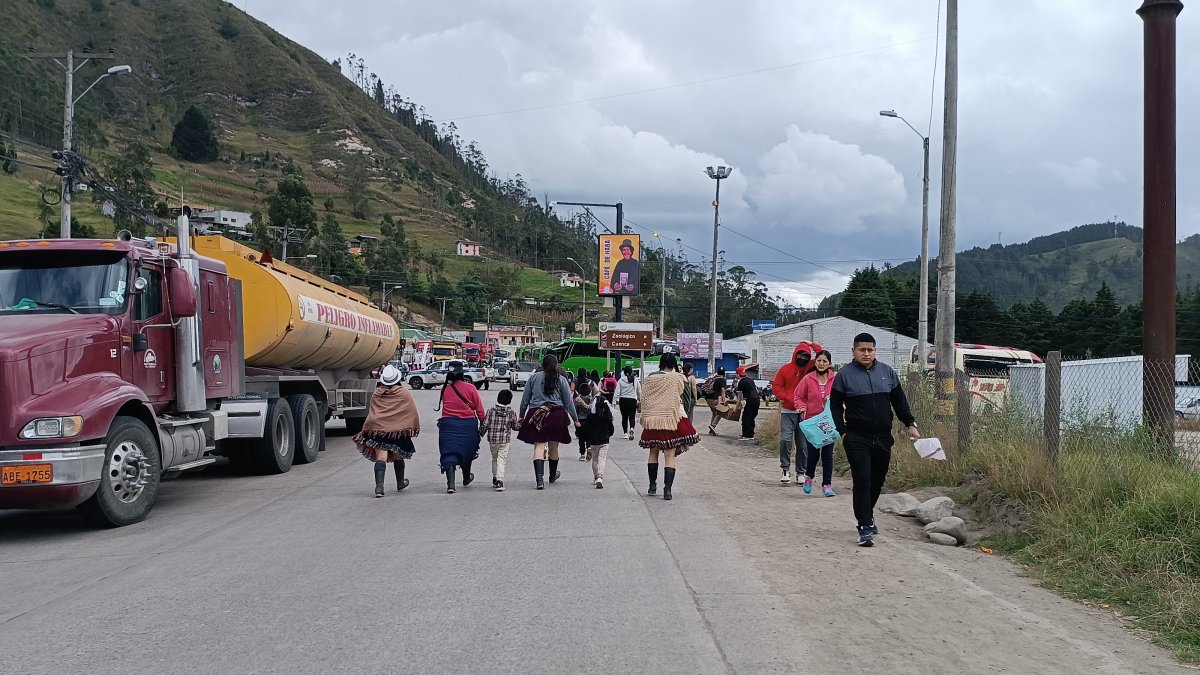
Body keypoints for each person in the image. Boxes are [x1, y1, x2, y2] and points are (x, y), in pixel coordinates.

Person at [830, 333, 920, 547]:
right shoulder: (844, 375)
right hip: (856, 437)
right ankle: (864, 526)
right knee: (863, 480)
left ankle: (867, 514)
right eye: (862, 350)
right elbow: (834, 406)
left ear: (875, 351)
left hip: (882, 438)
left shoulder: (887, 372)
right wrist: (842, 431)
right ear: (853, 351)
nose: (867, 353)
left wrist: (910, 424)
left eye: (870, 350)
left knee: (878, 480)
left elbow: (899, 401)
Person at [638, 354, 700, 500]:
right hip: (671, 420)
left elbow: (644, 398)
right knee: (669, 455)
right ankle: (667, 490)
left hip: (653, 420)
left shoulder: (650, 378)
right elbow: (685, 400)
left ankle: (652, 485)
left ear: (660, 364)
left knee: (653, 452)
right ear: (674, 364)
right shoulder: (679, 378)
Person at [355, 365, 419, 498]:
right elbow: (410, 411)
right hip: (398, 431)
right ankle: (400, 482)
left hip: (380, 430)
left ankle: (379, 487)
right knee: (398, 456)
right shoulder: (403, 392)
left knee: (381, 457)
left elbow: (373, 413)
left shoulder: (377, 392)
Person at [518, 354, 581, 489]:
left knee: (539, 446)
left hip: (537, 414)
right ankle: (552, 476)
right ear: (556, 365)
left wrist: (521, 415)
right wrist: (575, 419)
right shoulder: (562, 379)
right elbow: (568, 402)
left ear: (542, 365)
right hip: (556, 415)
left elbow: (525, 399)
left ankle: (539, 480)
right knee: (554, 447)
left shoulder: (533, 378)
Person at [772, 341, 823, 484]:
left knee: (803, 444)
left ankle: (801, 472)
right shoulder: (785, 369)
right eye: (800, 355)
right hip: (788, 411)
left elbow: (822, 355)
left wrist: (811, 344)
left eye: (806, 355)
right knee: (785, 440)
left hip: (805, 412)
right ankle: (785, 469)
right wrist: (787, 398)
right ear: (795, 354)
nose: (803, 358)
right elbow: (776, 386)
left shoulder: (811, 367)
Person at [793, 350, 838, 497]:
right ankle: (808, 477)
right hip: (812, 422)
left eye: (825, 361)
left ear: (829, 363)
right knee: (812, 454)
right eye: (819, 360)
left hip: (829, 422)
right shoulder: (807, 379)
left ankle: (827, 485)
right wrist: (802, 407)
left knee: (828, 454)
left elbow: (844, 396)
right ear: (815, 362)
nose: (821, 363)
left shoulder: (836, 379)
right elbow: (798, 396)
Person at [436, 361, 485, 494]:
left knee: (449, 453)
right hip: (467, 426)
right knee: (467, 452)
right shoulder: (470, 388)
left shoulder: (445, 388)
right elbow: (479, 409)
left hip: (448, 425)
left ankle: (451, 484)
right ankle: (466, 477)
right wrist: (483, 422)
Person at [483, 388, 521, 491]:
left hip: (492, 440)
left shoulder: (490, 411)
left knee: (495, 459)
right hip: (504, 440)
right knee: (501, 460)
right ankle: (499, 481)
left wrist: (480, 434)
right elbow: (515, 427)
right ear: (509, 401)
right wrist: (522, 424)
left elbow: (485, 425)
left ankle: (495, 478)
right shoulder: (511, 413)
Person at [579, 388, 616, 488]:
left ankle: (596, 477)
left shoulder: (591, 416)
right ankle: (600, 476)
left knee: (595, 459)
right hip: (604, 440)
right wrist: (609, 434)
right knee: (602, 459)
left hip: (593, 441)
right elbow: (611, 429)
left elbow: (585, 427)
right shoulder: (607, 415)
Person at [735, 364, 762, 441]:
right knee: (752, 417)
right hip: (757, 399)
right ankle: (749, 434)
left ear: (738, 374)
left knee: (746, 417)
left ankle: (747, 435)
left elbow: (739, 397)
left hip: (751, 400)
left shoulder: (741, 382)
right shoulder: (750, 380)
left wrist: (736, 408)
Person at [700, 367, 729, 435]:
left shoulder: (713, 378)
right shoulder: (722, 380)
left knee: (715, 413)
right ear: (724, 373)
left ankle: (711, 430)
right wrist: (724, 400)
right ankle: (713, 426)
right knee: (721, 411)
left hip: (708, 398)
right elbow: (722, 390)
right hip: (714, 398)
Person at [615, 365, 641, 440]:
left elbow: (617, 391)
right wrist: (639, 399)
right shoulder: (635, 379)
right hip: (632, 400)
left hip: (623, 400)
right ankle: (632, 428)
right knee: (632, 416)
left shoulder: (620, 380)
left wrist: (614, 401)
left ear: (624, 372)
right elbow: (639, 390)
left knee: (624, 417)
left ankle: (625, 433)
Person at [574, 369, 593, 461]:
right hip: (589, 420)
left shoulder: (578, 400)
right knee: (588, 436)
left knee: (581, 438)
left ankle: (582, 454)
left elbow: (575, 410)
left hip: (580, 420)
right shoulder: (591, 399)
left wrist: (575, 420)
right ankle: (589, 447)